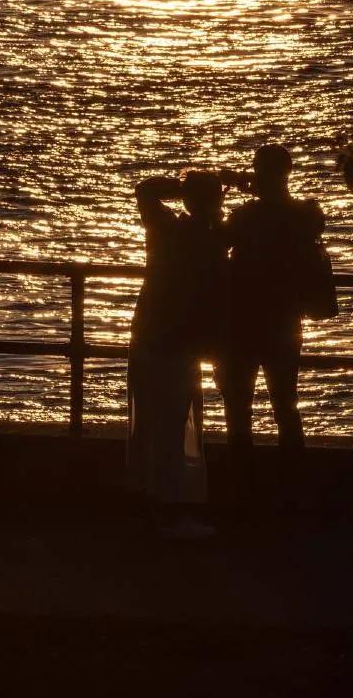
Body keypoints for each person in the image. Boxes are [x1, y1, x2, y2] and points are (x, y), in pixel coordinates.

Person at [216, 144, 329, 496]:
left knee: (238, 409)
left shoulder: (246, 217)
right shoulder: (304, 215)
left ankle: (241, 487)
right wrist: (253, 186)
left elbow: (219, 240)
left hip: (242, 323)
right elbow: (302, 216)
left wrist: (237, 188)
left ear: (259, 171)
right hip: (285, 322)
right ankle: (293, 486)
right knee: (286, 406)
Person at [127, 170, 228, 540]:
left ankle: (151, 506)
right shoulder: (210, 238)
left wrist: (185, 186)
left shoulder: (165, 228)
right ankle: (170, 513)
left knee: (149, 423)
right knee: (173, 427)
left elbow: (145, 189)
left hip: (148, 333)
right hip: (180, 341)